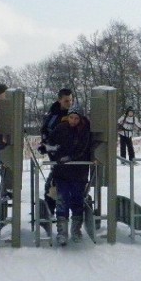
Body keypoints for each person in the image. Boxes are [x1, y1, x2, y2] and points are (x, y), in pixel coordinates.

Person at [45, 104, 92, 245]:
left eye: (76, 118)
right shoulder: (61, 128)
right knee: (61, 200)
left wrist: (71, 157)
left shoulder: (85, 130)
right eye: (71, 117)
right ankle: (62, 232)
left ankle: (76, 230)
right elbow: (50, 143)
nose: (73, 121)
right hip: (62, 173)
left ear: (80, 118)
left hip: (79, 172)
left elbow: (84, 148)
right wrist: (52, 153)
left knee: (77, 200)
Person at [39, 88, 74, 214]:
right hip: (56, 151)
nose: (69, 103)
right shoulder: (54, 114)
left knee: (70, 179)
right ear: (60, 100)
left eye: (70, 100)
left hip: (71, 151)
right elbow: (45, 131)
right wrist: (47, 145)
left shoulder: (74, 112)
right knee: (56, 177)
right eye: (66, 101)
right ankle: (50, 206)